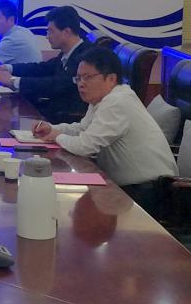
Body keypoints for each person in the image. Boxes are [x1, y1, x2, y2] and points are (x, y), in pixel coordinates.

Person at [32, 46, 178, 210]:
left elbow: (85, 146)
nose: (81, 84)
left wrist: (55, 136)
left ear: (111, 79)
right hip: (128, 186)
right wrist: (52, 128)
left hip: (147, 191)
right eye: (78, 78)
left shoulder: (116, 102)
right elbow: (83, 129)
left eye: (87, 77)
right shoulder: (103, 99)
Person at [0, 5, 92, 123]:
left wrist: (13, 81)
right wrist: (7, 67)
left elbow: (57, 84)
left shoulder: (86, 57)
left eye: (50, 31)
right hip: (54, 112)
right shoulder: (67, 53)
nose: (47, 36)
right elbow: (40, 68)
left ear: (66, 32)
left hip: (67, 119)